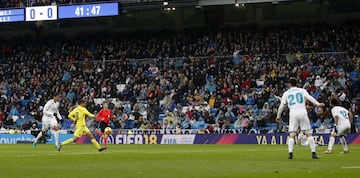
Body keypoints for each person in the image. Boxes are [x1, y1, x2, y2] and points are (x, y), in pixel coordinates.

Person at [276, 78, 324, 159]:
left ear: (289, 84)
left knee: (292, 135)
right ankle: (313, 153)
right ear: (297, 83)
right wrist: (318, 104)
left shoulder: (286, 93)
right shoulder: (302, 90)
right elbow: (309, 97)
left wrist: (278, 116)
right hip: (303, 113)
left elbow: (282, 106)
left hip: (293, 114)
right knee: (309, 133)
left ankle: (290, 153)